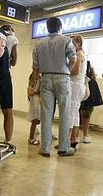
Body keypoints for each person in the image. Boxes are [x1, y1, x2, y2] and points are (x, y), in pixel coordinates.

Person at [31, 17, 77, 157]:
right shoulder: (66, 40)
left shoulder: (39, 44)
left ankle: (45, 149)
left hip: (45, 79)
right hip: (62, 78)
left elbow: (35, 68)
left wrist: (33, 85)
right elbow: (73, 59)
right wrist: (66, 70)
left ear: (47, 28)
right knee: (64, 114)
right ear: (60, 27)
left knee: (46, 114)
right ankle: (63, 148)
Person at [69, 35, 87, 149]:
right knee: (75, 112)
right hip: (78, 85)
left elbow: (75, 71)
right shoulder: (80, 54)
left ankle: (67, 139)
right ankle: (73, 138)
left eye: (72, 44)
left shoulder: (79, 55)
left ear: (78, 44)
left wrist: (64, 70)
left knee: (71, 112)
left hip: (75, 85)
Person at [79, 61, 98, 143]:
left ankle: (74, 135)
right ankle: (85, 135)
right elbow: (94, 75)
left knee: (75, 114)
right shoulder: (89, 63)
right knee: (86, 114)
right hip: (87, 87)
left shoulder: (76, 61)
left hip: (78, 86)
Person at [27, 73, 41, 145]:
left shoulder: (38, 87)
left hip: (38, 106)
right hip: (34, 106)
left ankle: (34, 135)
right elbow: (30, 93)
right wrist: (36, 91)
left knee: (36, 121)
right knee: (34, 121)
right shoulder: (31, 86)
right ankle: (31, 138)